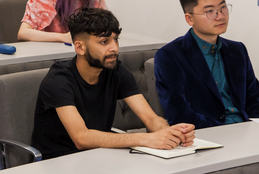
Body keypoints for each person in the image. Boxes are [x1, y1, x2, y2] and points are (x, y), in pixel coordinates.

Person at [31, 8, 195, 160]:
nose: (114, 48)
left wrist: (171, 133)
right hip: (58, 162)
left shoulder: (116, 70)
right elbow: (81, 138)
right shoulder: (59, 79)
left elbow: (151, 118)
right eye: (104, 42)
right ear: (80, 47)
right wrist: (147, 138)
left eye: (115, 40)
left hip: (99, 156)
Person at [154, 0, 259, 128]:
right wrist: (225, 130)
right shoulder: (170, 56)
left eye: (223, 8)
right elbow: (178, 114)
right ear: (189, 19)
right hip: (207, 134)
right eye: (210, 11)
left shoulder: (237, 50)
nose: (220, 16)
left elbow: (254, 99)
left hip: (245, 130)